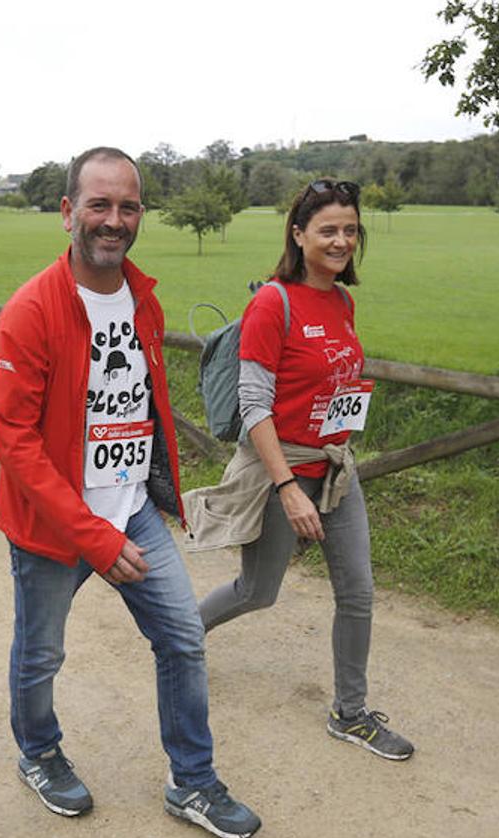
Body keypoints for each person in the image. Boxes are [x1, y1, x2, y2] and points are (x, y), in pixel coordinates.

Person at [0, 147, 261, 838]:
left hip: (130, 507)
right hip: (55, 525)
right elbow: (14, 440)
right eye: (99, 205)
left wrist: (158, 485)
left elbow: (141, 401)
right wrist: (92, 536)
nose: (114, 220)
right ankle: (39, 752)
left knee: (182, 639)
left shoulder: (143, 297)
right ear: (67, 212)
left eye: (128, 206)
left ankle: (192, 783)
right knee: (41, 652)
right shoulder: (31, 310)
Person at [184, 179, 414, 761]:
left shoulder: (341, 300)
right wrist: (287, 486)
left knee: (358, 592)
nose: (341, 240)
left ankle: (351, 713)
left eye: (350, 230)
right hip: (279, 471)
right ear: (298, 234)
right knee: (258, 591)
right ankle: (180, 636)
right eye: (328, 230)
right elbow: (254, 403)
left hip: (337, 469)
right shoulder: (273, 303)